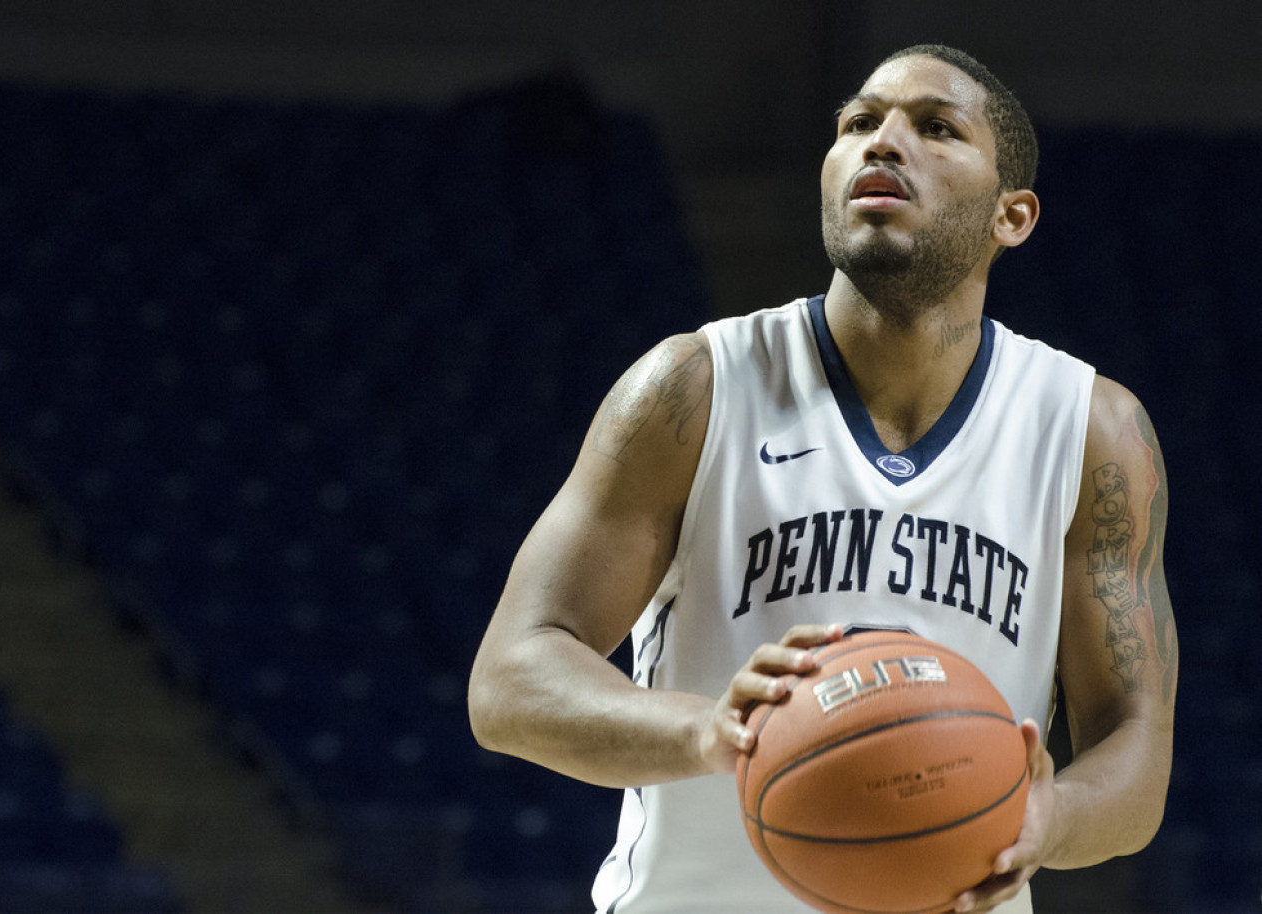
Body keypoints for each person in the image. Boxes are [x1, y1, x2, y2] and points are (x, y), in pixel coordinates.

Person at [468, 43, 1177, 914]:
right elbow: (510, 678)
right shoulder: (694, 387)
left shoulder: (1089, 431)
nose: (882, 143)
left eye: (934, 127)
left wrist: (1050, 818)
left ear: (1012, 216)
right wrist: (703, 729)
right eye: (857, 123)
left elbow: (1135, 745)